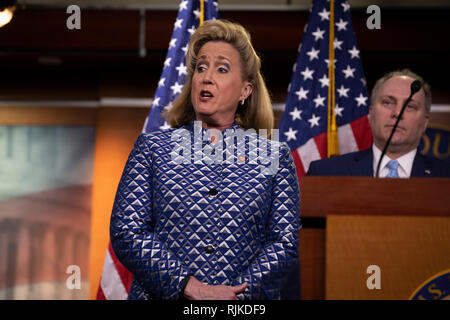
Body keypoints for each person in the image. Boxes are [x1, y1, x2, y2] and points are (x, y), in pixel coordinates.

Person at [109, 20, 301, 300]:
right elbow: (127, 230)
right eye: (200, 67)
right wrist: (189, 286)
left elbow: (283, 243)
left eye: (222, 69)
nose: (206, 77)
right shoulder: (152, 149)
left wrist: (233, 296)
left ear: (245, 90)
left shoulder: (274, 157)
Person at [307, 69, 450, 177]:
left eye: (410, 106)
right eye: (387, 102)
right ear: (371, 114)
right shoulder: (326, 173)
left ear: (424, 123)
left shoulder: (445, 176)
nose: (397, 113)